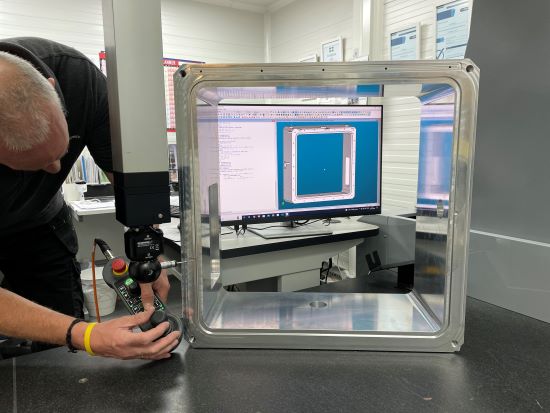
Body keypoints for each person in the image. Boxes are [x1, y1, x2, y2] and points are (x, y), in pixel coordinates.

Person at [0, 37, 179, 360]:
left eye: (62, 150)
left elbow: (128, 177)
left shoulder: (78, 79)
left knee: (58, 342)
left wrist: (147, 251)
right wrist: (86, 335)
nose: (55, 169)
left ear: (54, 89)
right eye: (35, 163)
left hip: (41, 224)